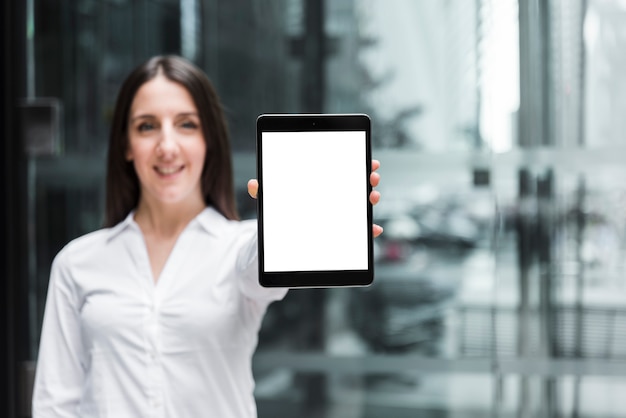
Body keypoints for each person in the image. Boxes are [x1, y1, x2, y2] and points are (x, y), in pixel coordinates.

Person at [31, 55, 382, 418]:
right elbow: (54, 404)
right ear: (125, 145)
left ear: (209, 140)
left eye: (186, 125)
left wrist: (296, 219)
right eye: (147, 126)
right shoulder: (78, 263)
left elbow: (262, 266)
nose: (167, 146)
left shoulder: (238, 249)